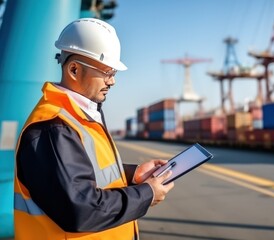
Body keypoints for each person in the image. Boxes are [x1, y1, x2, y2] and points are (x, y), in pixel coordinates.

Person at [14, 18, 174, 240]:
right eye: (107, 72)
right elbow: (81, 209)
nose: (112, 82)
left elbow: (84, 172)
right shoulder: (53, 128)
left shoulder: (77, 116)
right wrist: (147, 194)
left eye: (114, 74)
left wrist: (132, 174)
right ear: (74, 69)